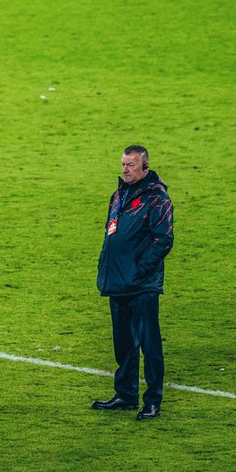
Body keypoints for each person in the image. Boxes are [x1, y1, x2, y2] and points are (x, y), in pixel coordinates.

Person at [92, 145, 174, 421]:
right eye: (123, 164)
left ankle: (152, 400)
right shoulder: (118, 195)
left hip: (142, 285)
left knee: (149, 345)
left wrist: (139, 270)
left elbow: (163, 240)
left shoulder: (157, 199)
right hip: (118, 282)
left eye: (131, 165)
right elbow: (111, 233)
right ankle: (126, 394)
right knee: (123, 342)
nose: (125, 169)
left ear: (145, 167)